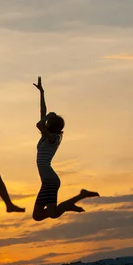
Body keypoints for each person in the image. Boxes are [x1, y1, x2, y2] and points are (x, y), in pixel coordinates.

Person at [32, 77, 99, 221]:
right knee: (37, 216)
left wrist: (49, 116)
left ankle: (80, 196)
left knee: (53, 213)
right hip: (47, 181)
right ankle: (69, 205)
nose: (46, 121)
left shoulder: (53, 139)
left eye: (48, 121)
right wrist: (42, 92)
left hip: (51, 180)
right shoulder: (46, 137)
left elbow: (39, 124)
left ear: (51, 126)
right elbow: (42, 113)